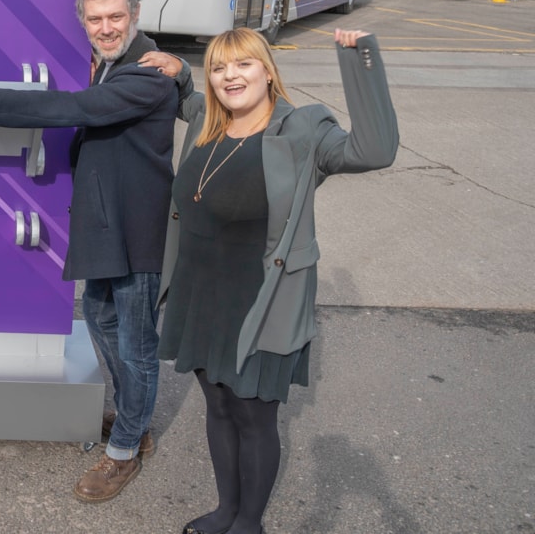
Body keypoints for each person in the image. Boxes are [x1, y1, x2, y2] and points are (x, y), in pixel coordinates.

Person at [0, 0, 191, 503]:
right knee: (99, 317)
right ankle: (131, 417)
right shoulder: (113, 63)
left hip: (136, 229)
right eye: (95, 19)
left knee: (136, 342)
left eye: (115, 16)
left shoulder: (148, 72)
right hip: (105, 223)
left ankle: (125, 449)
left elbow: (75, 109)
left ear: (135, 15)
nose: (106, 26)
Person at [153, 27, 398, 534]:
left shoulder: (303, 131)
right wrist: (179, 72)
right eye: (219, 67)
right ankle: (226, 510)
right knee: (217, 404)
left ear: (268, 70)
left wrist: (360, 59)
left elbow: (376, 150)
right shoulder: (207, 120)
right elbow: (187, 95)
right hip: (200, 292)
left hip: (261, 298)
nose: (229, 76)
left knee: (252, 415)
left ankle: (249, 523)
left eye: (243, 64)